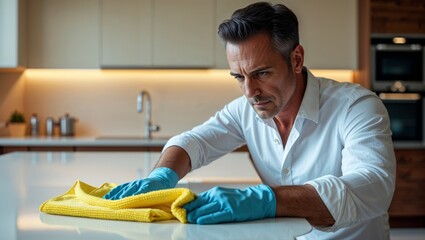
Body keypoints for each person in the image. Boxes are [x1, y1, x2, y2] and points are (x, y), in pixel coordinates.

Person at [104, 2, 396, 239]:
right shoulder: (246, 110)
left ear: (296, 59)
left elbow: (374, 186)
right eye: (238, 77)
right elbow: (195, 142)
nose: (250, 92)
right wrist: (162, 176)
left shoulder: (356, 107)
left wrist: (266, 200)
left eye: (261, 74)